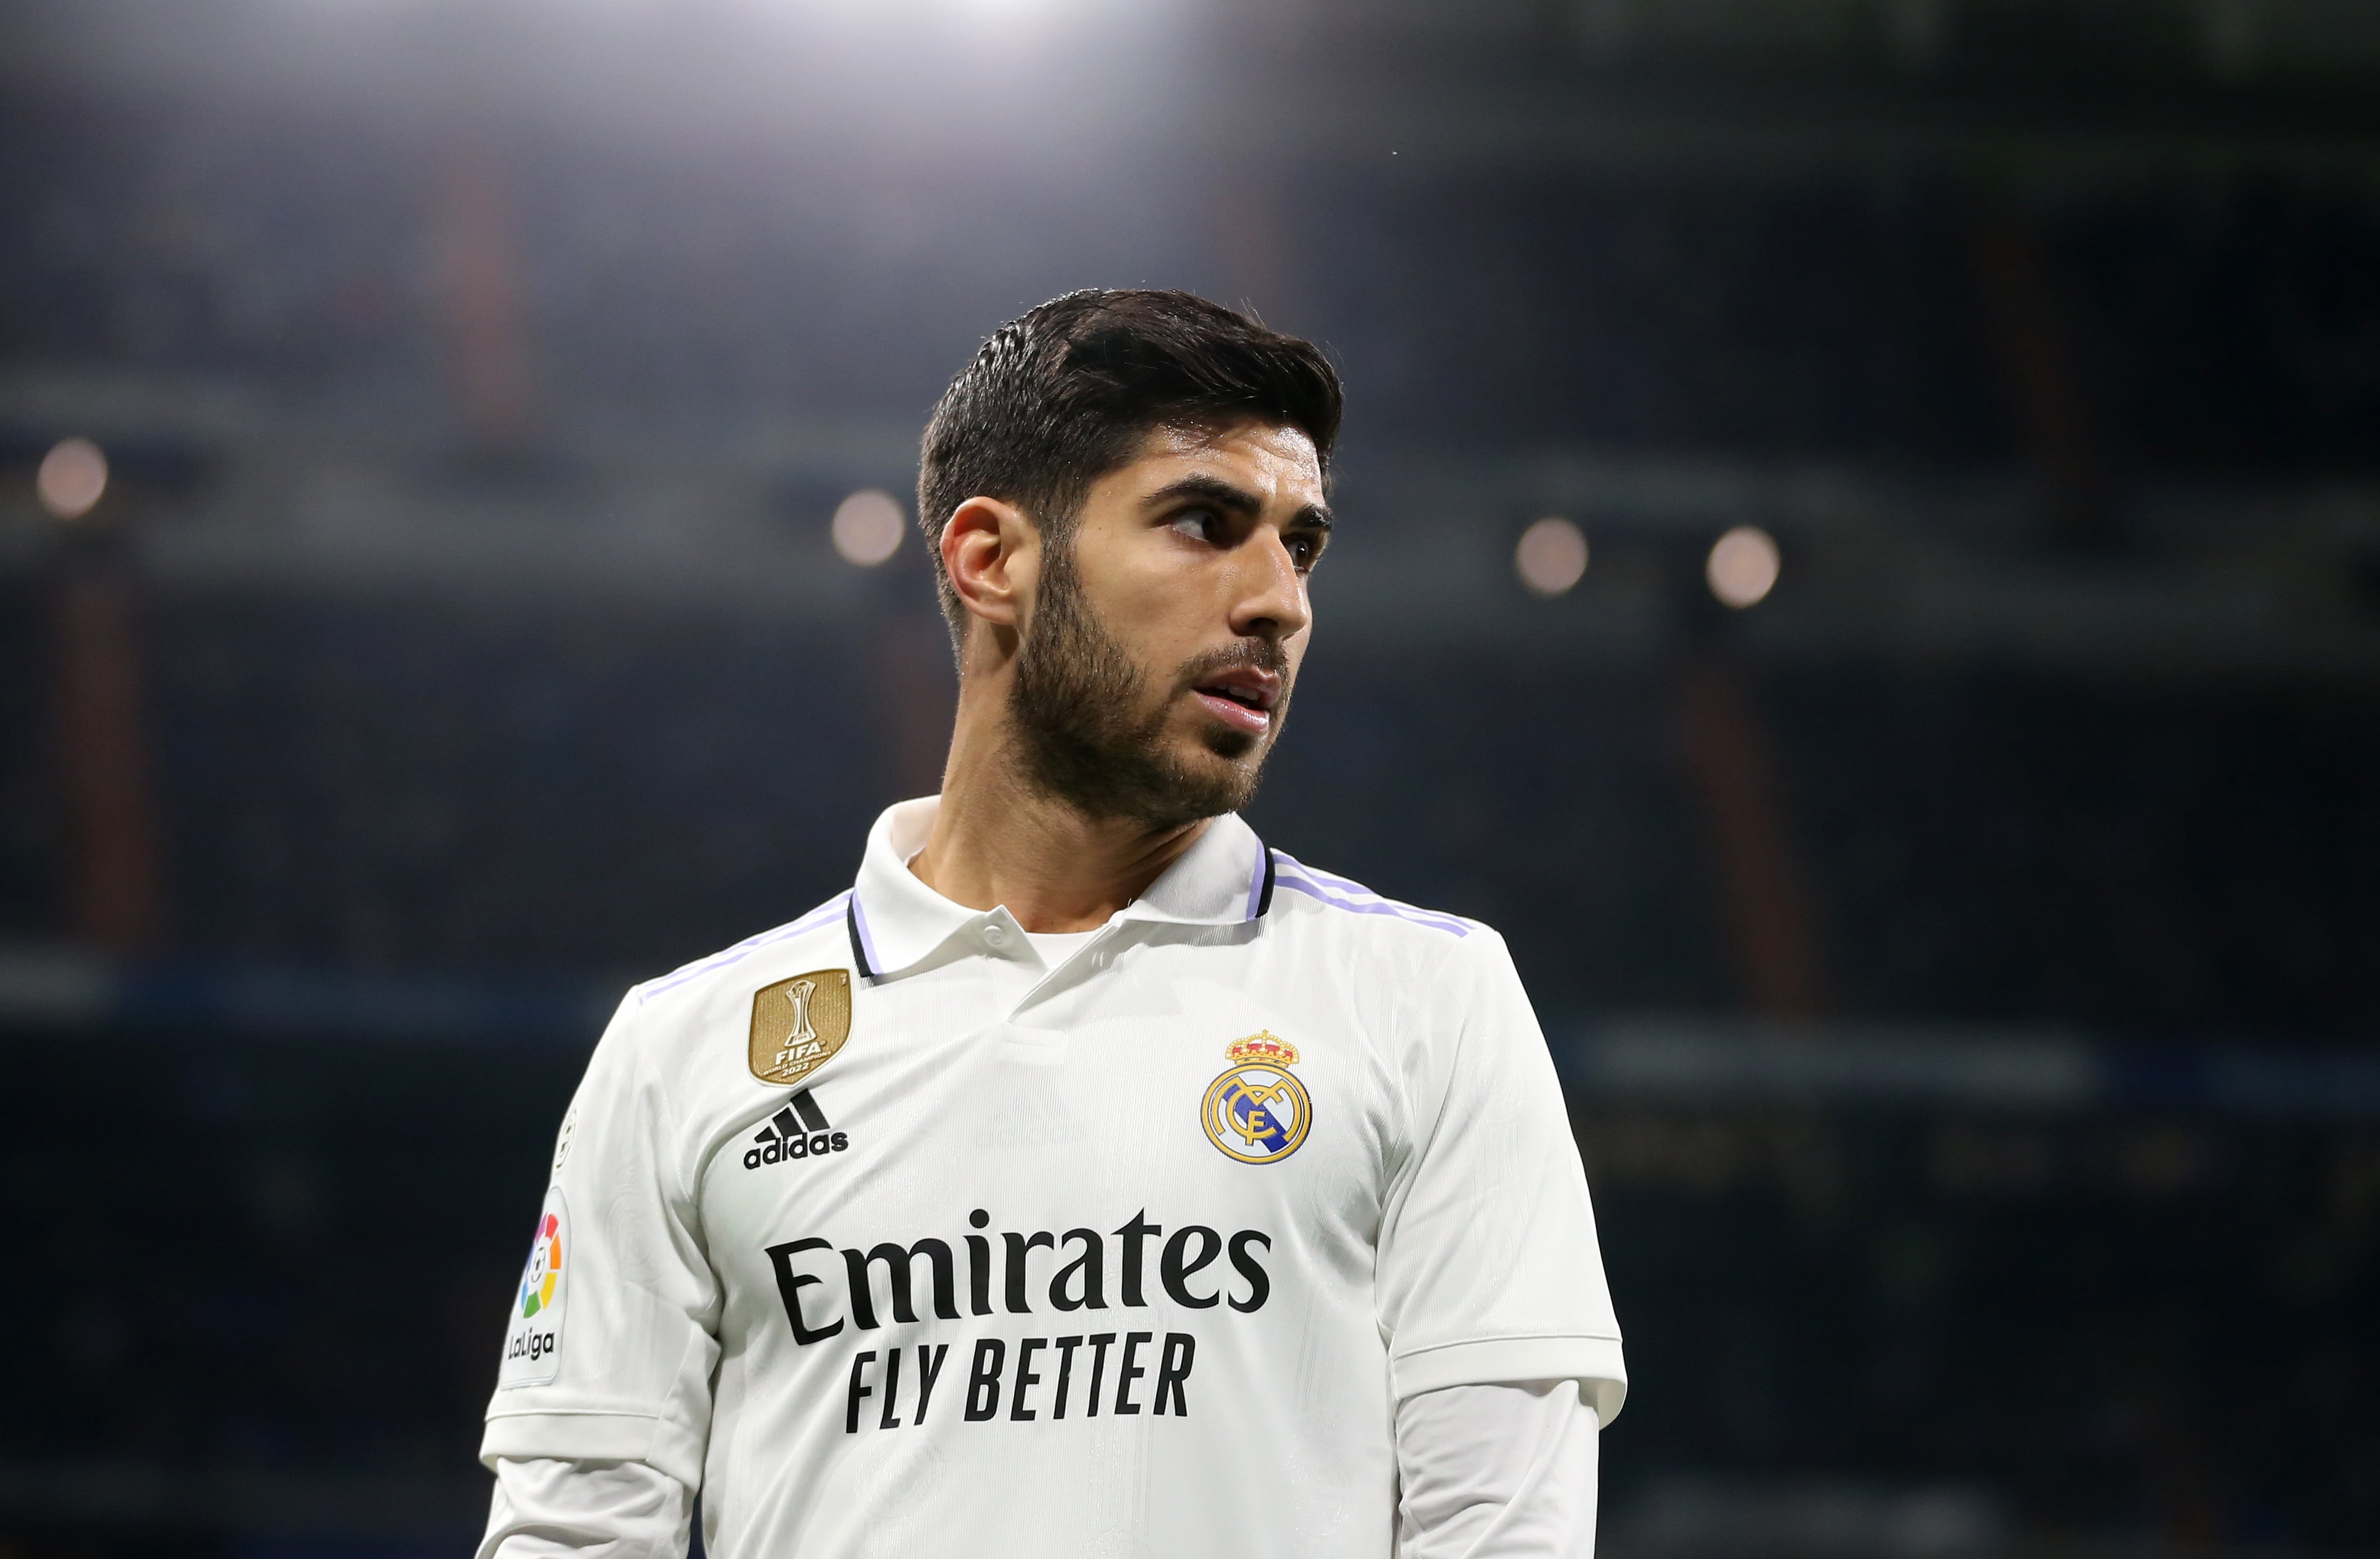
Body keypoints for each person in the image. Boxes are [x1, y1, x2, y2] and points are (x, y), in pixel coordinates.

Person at [475, 289, 1625, 1558]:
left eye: (1301, 546)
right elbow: (573, 1535)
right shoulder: (683, 1047)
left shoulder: (1426, 999)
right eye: (1205, 522)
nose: (1278, 602)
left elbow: (1502, 1531)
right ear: (991, 559)